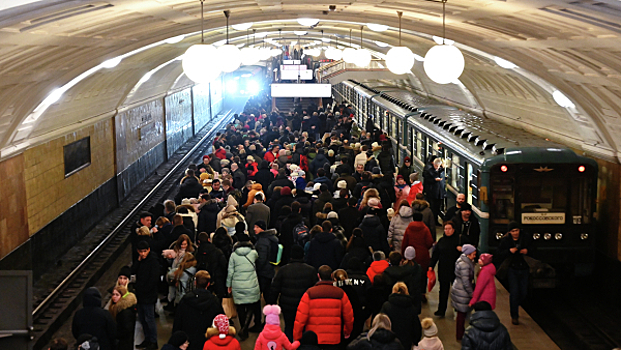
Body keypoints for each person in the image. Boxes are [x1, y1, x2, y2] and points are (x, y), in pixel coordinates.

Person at [293, 265, 354, 347]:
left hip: (314, 338)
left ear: (318, 276)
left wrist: (297, 337)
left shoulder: (310, 293)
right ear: (331, 275)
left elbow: (300, 318)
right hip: (334, 337)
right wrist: (347, 331)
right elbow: (348, 315)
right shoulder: (340, 293)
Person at [269, 245, 318, 341]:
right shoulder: (311, 270)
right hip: (305, 305)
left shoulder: (283, 270)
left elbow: (275, 288)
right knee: (304, 326)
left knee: (289, 326)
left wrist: (272, 303)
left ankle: (290, 345)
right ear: (303, 255)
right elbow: (314, 288)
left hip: (287, 305)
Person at [173, 271, 224, 350]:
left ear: (195, 283)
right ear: (208, 284)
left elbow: (178, 321)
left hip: (189, 340)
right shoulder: (214, 301)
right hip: (208, 340)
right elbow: (220, 321)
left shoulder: (186, 300)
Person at [494, 221, 533, 325]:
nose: (515, 233)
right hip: (512, 269)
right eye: (513, 231)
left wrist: (527, 251)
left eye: (517, 230)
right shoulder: (506, 241)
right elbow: (498, 253)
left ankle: (518, 304)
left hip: (524, 268)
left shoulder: (525, 238)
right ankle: (514, 315)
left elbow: (534, 249)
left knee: (523, 292)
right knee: (514, 292)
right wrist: (509, 251)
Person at [226, 233, 261, 340]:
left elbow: (230, 271)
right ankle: (245, 327)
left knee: (240, 308)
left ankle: (243, 330)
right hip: (251, 283)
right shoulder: (254, 253)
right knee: (251, 305)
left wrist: (229, 285)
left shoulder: (233, 255)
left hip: (238, 284)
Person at [429, 220, 461, 317]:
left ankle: (459, 309)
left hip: (456, 269)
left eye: (449, 229)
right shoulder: (441, 241)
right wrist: (431, 265)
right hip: (443, 269)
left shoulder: (459, 240)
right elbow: (436, 255)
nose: (447, 231)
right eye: (445, 229)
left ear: (453, 230)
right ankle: (441, 310)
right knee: (443, 290)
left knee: (457, 290)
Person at [131, 240, 160, 349]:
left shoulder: (153, 261)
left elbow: (154, 279)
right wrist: (138, 261)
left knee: (149, 319)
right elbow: (133, 270)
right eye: (140, 251)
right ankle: (147, 339)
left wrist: (142, 289)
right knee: (143, 319)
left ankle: (153, 341)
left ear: (148, 250)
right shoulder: (140, 260)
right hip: (140, 295)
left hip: (148, 295)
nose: (142, 254)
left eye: (144, 251)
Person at [400, 212, 433, 300]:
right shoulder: (425, 229)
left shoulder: (409, 228)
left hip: (411, 256)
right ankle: (422, 293)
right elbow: (429, 242)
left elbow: (404, 242)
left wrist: (403, 255)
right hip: (423, 256)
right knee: (422, 275)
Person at [380, 282, 421, 350]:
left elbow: (381, 323)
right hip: (406, 342)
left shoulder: (386, 306)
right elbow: (416, 327)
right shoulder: (411, 308)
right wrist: (415, 341)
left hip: (389, 341)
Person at [451, 244, 477, 341]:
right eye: (473, 254)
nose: (474, 256)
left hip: (458, 289)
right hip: (462, 292)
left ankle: (460, 334)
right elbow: (466, 282)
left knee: (462, 314)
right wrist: (472, 294)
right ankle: (460, 336)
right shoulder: (465, 265)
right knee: (461, 315)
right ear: (468, 254)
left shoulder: (463, 261)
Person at [194, 232, 228, 298]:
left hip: (202, 280)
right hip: (216, 279)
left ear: (198, 241)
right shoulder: (217, 251)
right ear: (209, 239)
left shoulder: (197, 253)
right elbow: (224, 265)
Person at [254, 220, 279, 303]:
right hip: (270, 268)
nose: (254, 229)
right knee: (268, 291)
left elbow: (262, 258)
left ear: (262, 229)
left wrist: (257, 268)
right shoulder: (271, 238)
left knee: (261, 291)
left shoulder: (262, 241)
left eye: (257, 227)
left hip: (263, 271)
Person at [109, 285, 137, 350]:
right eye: (113, 294)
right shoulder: (118, 308)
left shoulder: (124, 312)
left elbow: (126, 330)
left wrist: (113, 334)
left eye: (117, 295)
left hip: (123, 343)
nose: (114, 297)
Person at [422, 157, 444, 224]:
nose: (437, 167)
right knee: (433, 208)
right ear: (433, 164)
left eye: (439, 166)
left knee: (437, 208)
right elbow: (427, 181)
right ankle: (432, 221)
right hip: (432, 193)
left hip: (439, 193)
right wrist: (434, 180)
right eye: (436, 166)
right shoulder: (429, 171)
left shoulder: (441, 171)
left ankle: (435, 220)